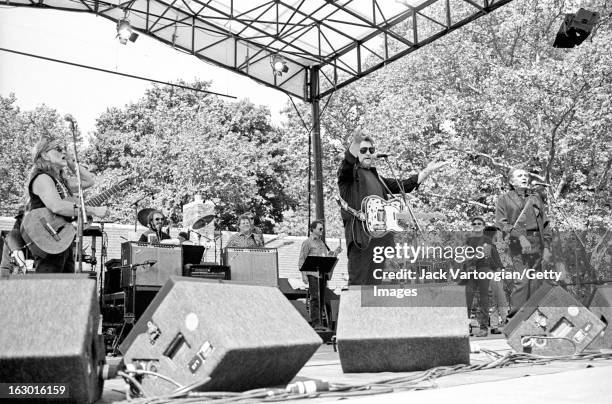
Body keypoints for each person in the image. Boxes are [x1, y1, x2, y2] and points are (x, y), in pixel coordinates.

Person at [337, 128, 447, 285]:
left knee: (373, 287)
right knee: (358, 286)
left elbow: (404, 186)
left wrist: (427, 171)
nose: (368, 153)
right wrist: (355, 142)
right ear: (357, 153)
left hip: (379, 241)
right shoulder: (348, 177)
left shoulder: (378, 178)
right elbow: (347, 163)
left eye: (371, 149)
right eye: (363, 150)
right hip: (361, 239)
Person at [25, 136, 107, 273]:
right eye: (58, 149)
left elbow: (89, 181)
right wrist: (92, 210)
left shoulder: (62, 182)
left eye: (63, 149)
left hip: (62, 239)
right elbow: (57, 206)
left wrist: (71, 162)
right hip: (48, 237)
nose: (63, 152)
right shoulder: (43, 178)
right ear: (45, 155)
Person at [496, 167, 552, 316]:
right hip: (517, 243)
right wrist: (520, 237)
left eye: (526, 175)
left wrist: (546, 247)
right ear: (511, 181)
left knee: (536, 281)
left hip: (537, 243)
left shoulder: (535, 198)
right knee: (523, 280)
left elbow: (545, 224)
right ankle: (515, 318)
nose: (524, 177)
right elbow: (502, 224)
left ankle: (534, 316)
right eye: (520, 175)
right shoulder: (504, 199)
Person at [461, 218, 504, 337]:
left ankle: (484, 328)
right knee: (468, 301)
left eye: (479, 223)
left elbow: (486, 256)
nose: (476, 225)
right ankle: (467, 327)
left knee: (483, 301)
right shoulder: (468, 240)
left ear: (483, 225)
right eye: (474, 223)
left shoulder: (488, 241)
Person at [298, 220, 342, 330]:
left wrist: (335, 252)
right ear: (312, 229)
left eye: (322, 228)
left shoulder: (322, 243)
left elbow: (326, 258)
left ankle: (320, 324)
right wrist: (303, 275)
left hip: (321, 274)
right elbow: (302, 259)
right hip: (312, 274)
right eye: (320, 229)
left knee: (322, 298)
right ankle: (315, 323)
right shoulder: (307, 242)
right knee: (315, 299)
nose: (322, 230)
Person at [0, 210, 27, 278]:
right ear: (21, 220)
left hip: (14, 272)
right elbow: (18, 253)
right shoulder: (15, 233)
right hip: (9, 273)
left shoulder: (25, 235)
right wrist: (25, 272)